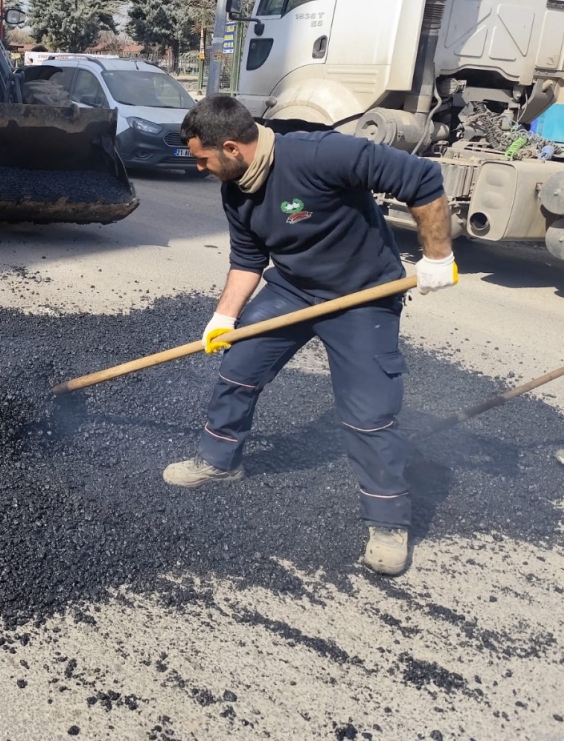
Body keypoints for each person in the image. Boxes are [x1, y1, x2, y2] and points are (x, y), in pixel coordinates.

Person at [163, 95, 458, 576]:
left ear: (232, 147)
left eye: (202, 159)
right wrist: (224, 318)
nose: (199, 168)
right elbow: (248, 259)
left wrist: (438, 256)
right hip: (293, 289)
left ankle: (387, 523)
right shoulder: (236, 189)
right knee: (239, 365)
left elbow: (422, 179)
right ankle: (219, 461)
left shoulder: (321, 154)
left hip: (364, 296)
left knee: (368, 412)